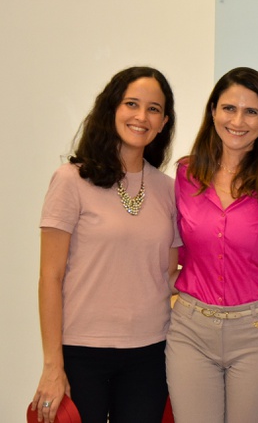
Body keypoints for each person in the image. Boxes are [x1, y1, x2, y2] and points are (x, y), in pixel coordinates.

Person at [31, 67, 179, 423]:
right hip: (81, 351)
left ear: (163, 123)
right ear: (111, 108)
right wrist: (52, 366)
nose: (141, 116)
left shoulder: (169, 189)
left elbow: (170, 275)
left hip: (150, 352)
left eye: (154, 109)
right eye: (132, 104)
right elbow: (50, 277)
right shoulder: (70, 180)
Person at [165, 67, 258, 422]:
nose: (238, 121)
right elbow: (171, 248)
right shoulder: (186, 174)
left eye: (251, 111)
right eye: (228, 108)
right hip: (191, 331)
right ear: (213, 112)